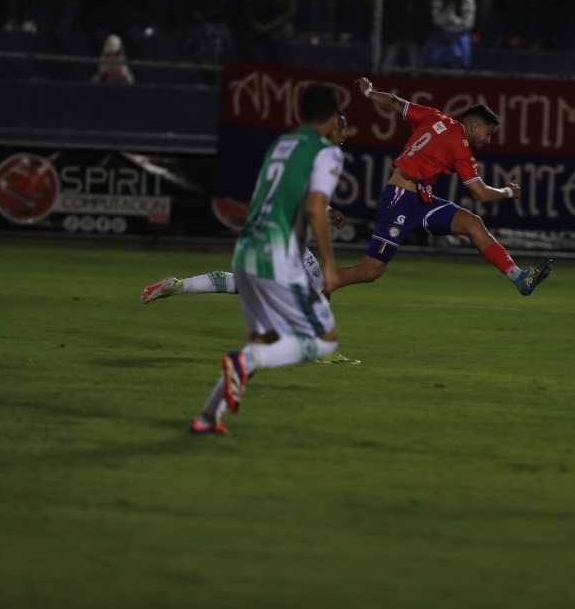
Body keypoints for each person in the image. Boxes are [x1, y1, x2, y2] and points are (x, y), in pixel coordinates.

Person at [187, 84, 348, 435]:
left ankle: (208, 417)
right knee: (325, 339)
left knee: (264, 341)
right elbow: (315, 206)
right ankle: (243, 362)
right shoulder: (326, 152)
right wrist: (329, 266)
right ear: (331, 118)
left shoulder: (281, 144)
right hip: (278, 256)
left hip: (246, 249)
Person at [332, 76, 553, 297]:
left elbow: (394, 103)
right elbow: (480, 193)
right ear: (474, 126)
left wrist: (369, 92)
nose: (488, 140)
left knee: (472, 223)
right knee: (370, 271)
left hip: (421, 200)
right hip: (400, 199)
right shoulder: (461, 147)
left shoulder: (434, 116)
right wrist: (508, 192)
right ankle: (319, 284)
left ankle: (519, 277)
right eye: (488, 133)